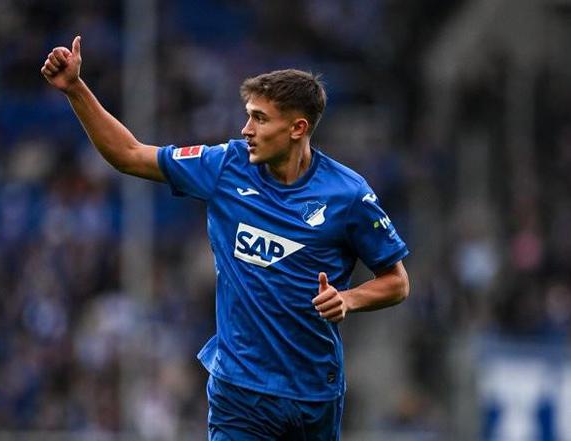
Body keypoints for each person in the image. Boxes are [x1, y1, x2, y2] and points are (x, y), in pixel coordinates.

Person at [41, 36, 410, 440]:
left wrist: (349, 299)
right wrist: (76, 89)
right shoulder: (225, 166)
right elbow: (129, 154)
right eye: (248, 116)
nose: (246, 129)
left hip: (313, 393)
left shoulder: (348, 195)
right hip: (240, 392)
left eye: (260, 119)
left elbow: (396, 282)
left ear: (297, 128)